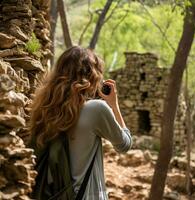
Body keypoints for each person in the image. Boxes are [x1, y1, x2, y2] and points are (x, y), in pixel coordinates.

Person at [28, 46, 133, 200]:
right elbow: (124, 145)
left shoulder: (44, 109)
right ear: (93, 76)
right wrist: (114, 105)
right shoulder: (96, 109)